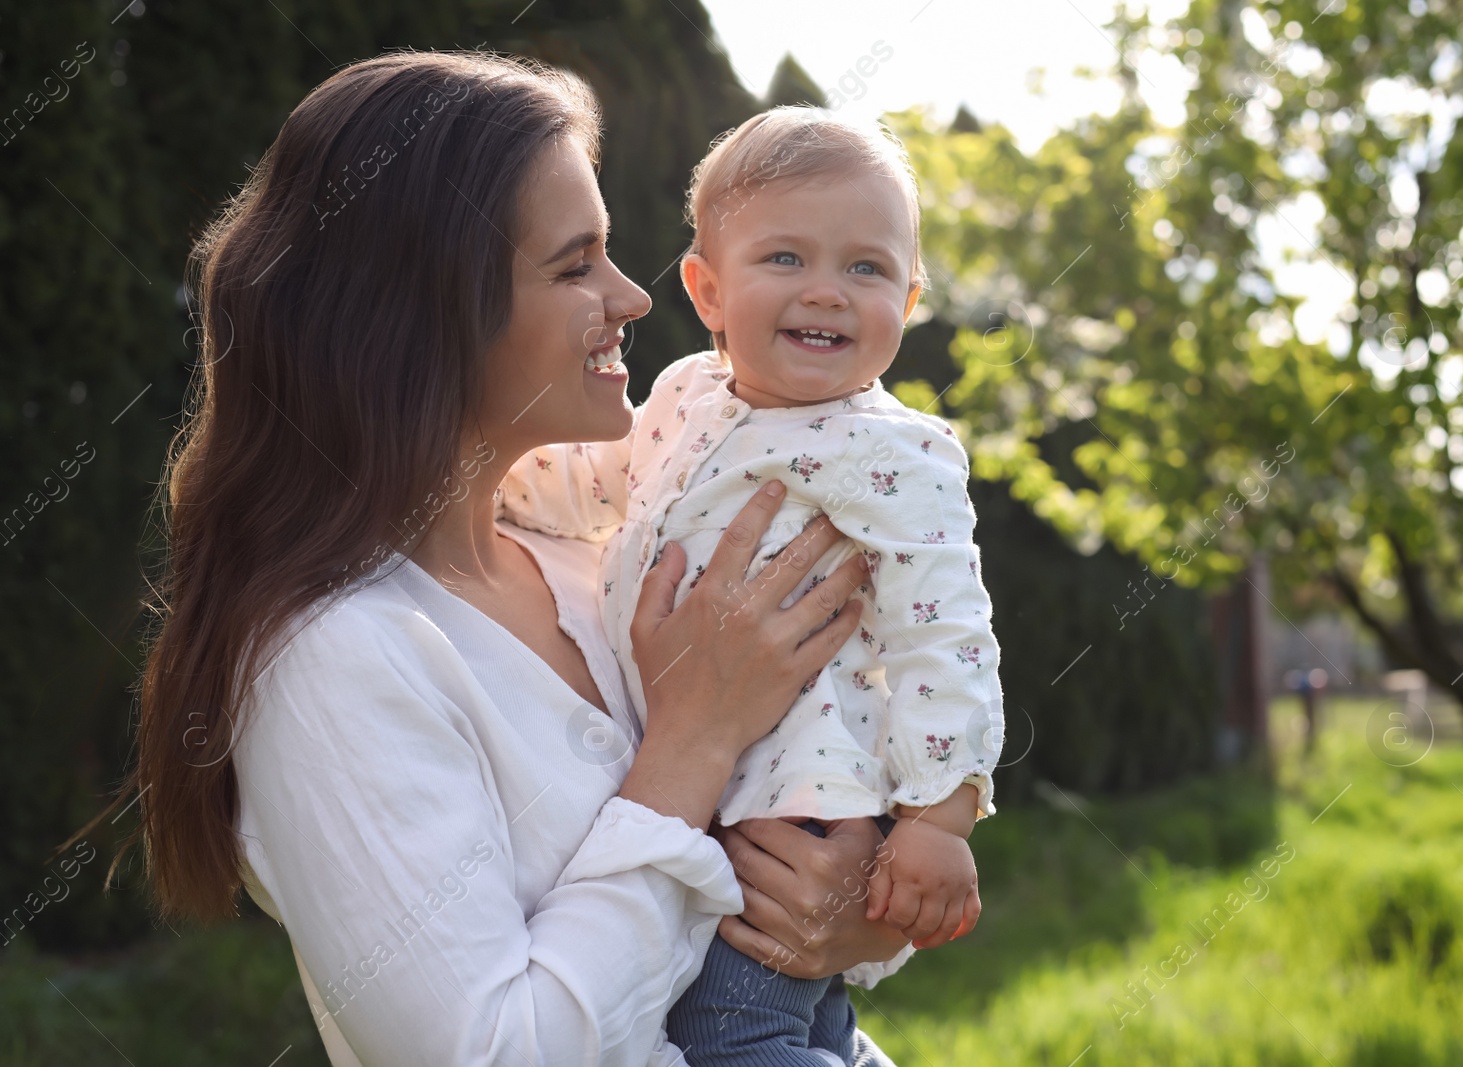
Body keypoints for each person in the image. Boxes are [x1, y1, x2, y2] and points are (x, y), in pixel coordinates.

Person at [88, 53, 911, 1066]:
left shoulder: (596, 550)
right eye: (575, 265)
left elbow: (791, 830)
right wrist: (689, 742)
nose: (631, 297)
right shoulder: (328, 658)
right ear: (422, 312)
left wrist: (857, 909)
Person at [499, 107, 1004, 1064]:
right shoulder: (687, 394)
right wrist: (492, 483)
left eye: (867, 268)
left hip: (797, 805)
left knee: (729, 1038)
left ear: (911, 294)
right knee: (804, 1032)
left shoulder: (896, 454)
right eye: (785, 259)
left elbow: (949, 641)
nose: (828, 292)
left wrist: (938, 819)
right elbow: (605, 484)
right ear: (706, 287)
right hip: (715, 787)